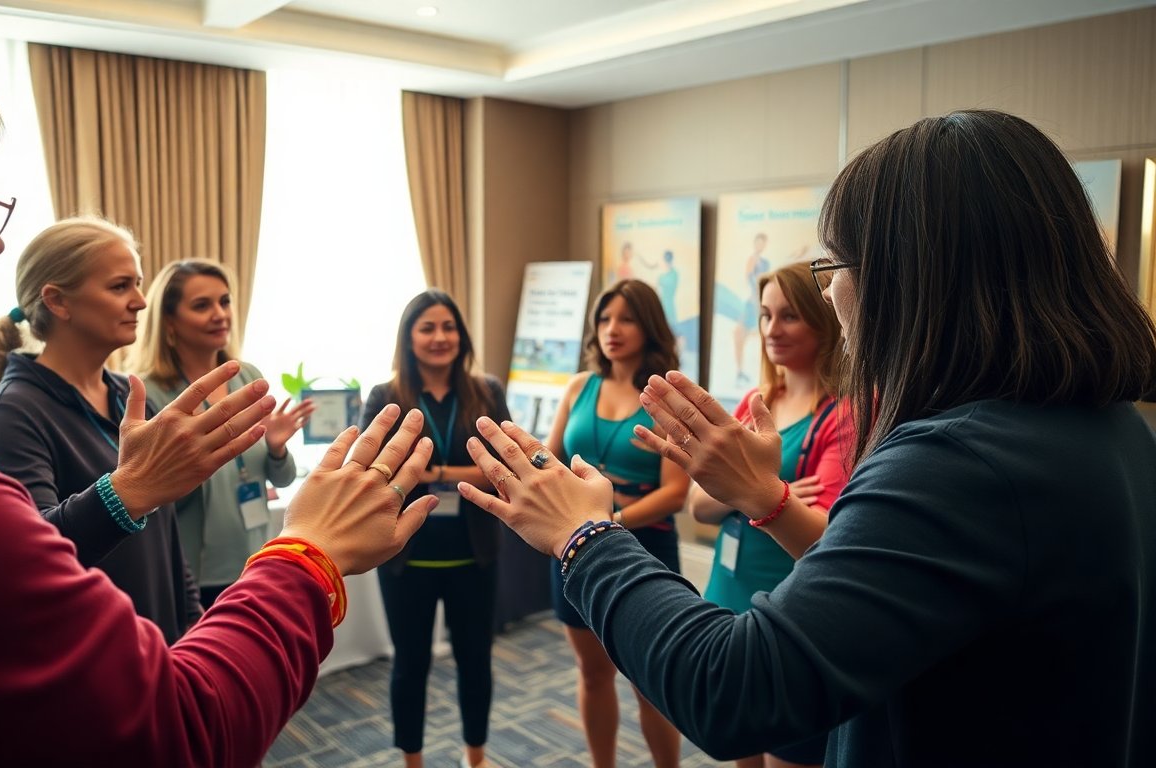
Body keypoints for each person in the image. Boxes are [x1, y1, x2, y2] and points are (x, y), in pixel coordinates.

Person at [0, 15, 433, 763]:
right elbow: (182, 731)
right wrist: (309, 551)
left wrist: (190, 613)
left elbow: (158, 542)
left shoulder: (125, 397)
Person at [458, 110, 1156, 767]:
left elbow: (732, 688)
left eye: (834, 268)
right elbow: (904, 594)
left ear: (910, 278)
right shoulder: (1111, 429)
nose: (828, 296)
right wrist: (767, 498)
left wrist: (586, 537)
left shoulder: (958, 465)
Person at [0, 218, 207, 643]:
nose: (141, 302)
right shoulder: (13, 413)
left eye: (138, 284)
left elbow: (166, 535)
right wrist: (128, 491)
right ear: (58, 301)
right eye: (120, 287)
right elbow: (31, 557)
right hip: (92, 655)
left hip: (161, 643)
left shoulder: (130, 397)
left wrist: (192, 620)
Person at [689, 260, 851, 768]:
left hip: (790, 611)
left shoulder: (844, 412)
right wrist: (767, 493)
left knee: (787, 753)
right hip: (728, 592)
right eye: (764, 315)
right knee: (741, 745)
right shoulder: (757, 401)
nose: (771, 329)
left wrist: (749, 492)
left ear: (823, 320)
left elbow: (826, 536)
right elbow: (699, 506)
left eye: (789, 316)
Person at [359, 290, 509, 768]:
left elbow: (506, 469)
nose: (440, 337)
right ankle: (413, 761)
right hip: (406, 557)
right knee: (410, 665)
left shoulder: (487, 392)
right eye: (427, 328)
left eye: (449, 327)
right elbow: (369, 475)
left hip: (474, 555)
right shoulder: (385, 397)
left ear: (461, 336)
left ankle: (476, 757)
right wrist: (467, 472)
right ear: (409, 337)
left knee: (476, 662)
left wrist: (435, 473)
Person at [544, 279, 690, 768]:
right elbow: (550, 458)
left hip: (643, 549)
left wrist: (609, 521)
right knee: (592, 673)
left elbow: (675, 492)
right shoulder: (579, 386)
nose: (612, 329)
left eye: (626, 319)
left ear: (648, 327)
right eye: (605, 319)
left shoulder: (667, 397)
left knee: (650, 682)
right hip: (573, 548)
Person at [128, 259, 315, 608]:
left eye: (224, 301)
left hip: (255, 562)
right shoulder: (150, 394)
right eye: (202, 305)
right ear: (169, 321)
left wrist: (276, 449)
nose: (220, 314)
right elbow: (147, 496)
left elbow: (283, 479)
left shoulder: (248, 377)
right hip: (193, 574)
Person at [733, 233, 770, 386]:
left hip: (760, 304)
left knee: (762, 337)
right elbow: (749, 280)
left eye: (762, 243)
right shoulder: (751, 260)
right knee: (739, 336)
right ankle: (740, 372)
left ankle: (764, 376)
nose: (759, 246)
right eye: (758, 243)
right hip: (751, 303)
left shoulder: (765, 262)